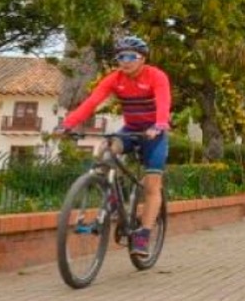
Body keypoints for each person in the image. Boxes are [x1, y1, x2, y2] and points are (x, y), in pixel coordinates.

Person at [56, 35, 171, 259]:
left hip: (154, 134)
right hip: (130, 130)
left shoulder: (156, 76)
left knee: (152, 186)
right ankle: (110, 189)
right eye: (120, 57)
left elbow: (164, 101)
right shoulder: (114, 79)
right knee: (105, 149)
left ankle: (143, 235)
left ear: (142, 59)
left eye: (130, 56)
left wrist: (159, 124)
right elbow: (91, 102)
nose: (124, 61)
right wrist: (67, 124)